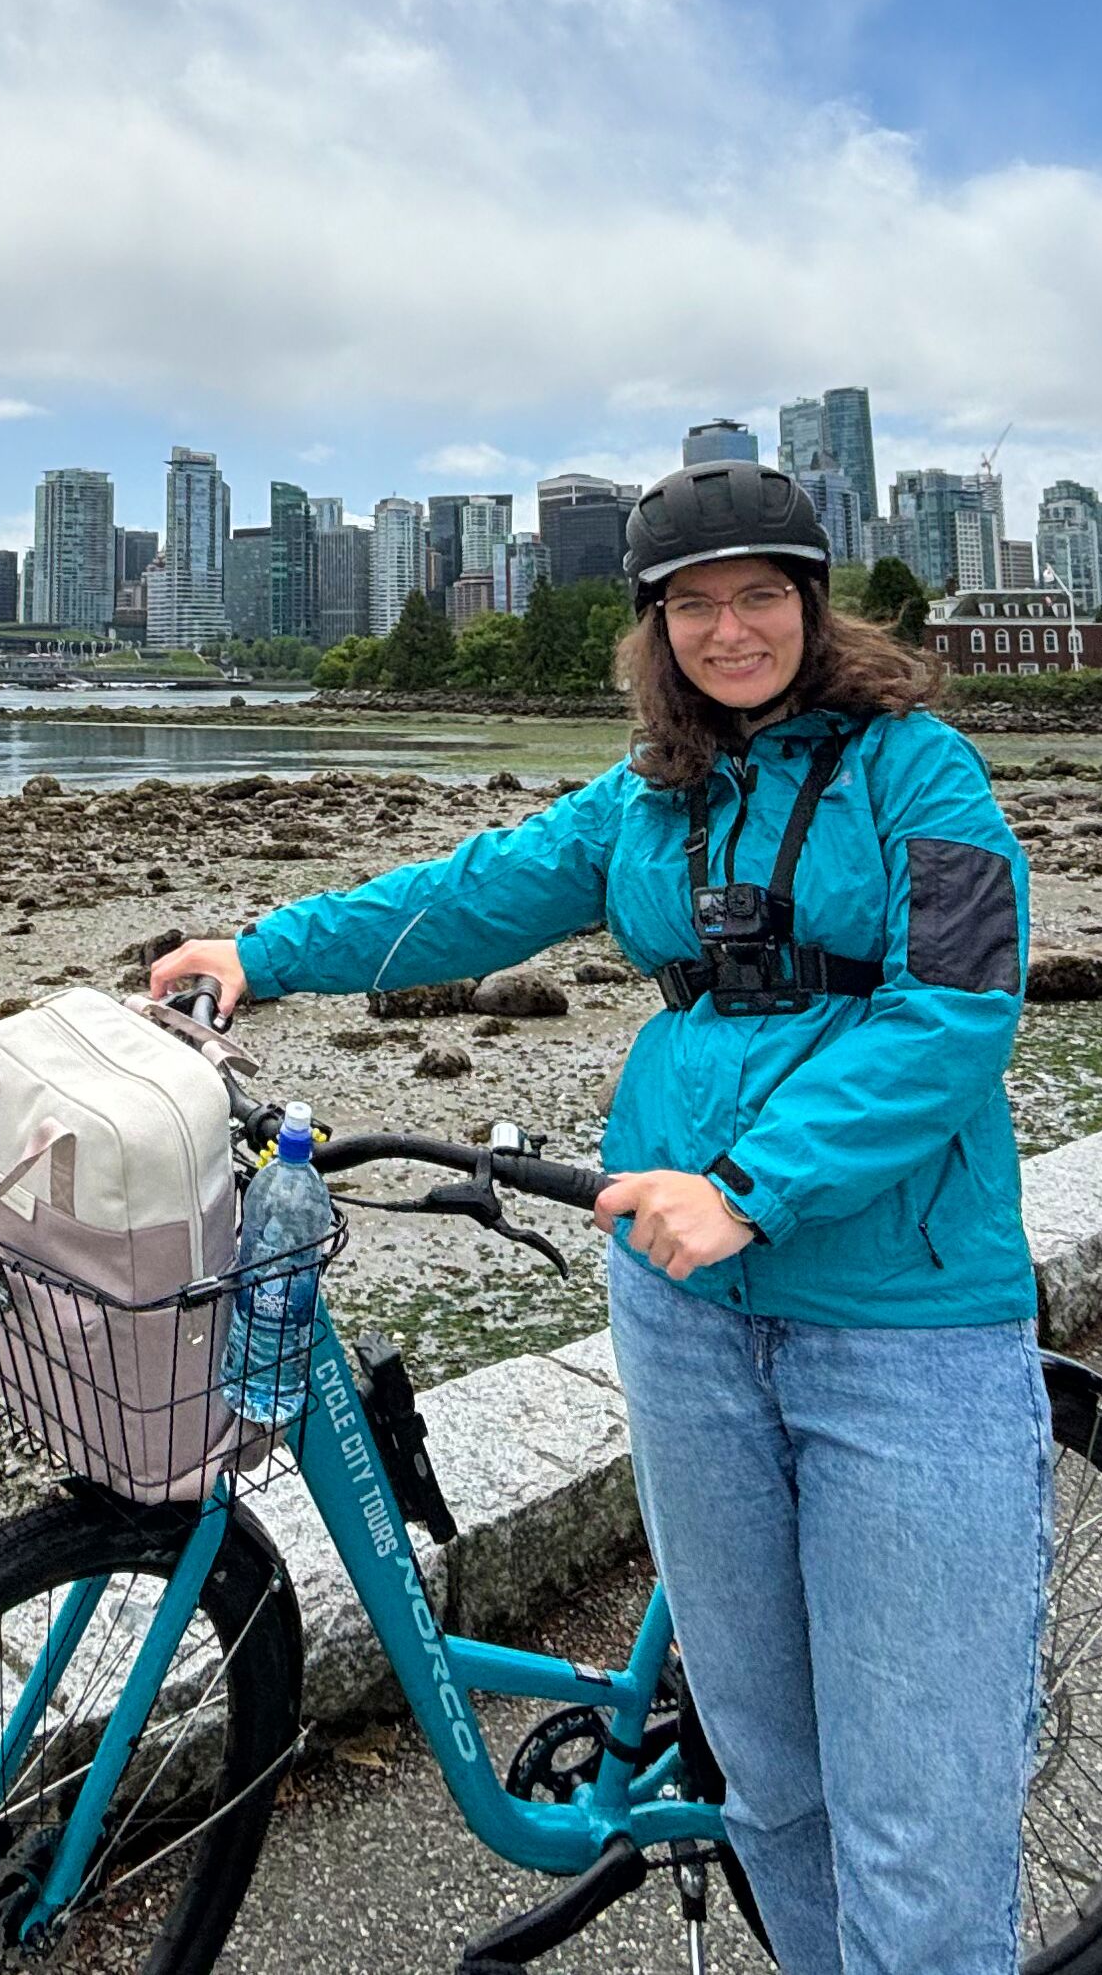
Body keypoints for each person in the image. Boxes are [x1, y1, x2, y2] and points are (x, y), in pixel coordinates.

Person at [147, 461, 1039, 1974]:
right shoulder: (649, 793)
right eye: (692, 602)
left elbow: (957, 1008)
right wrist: (261, 948)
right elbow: (470, 895)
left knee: (920, 1804)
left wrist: (755, 1188)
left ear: (816, 606)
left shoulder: (920, 770)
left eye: (761, 594)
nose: (730, 627)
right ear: (654, 626)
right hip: (683, 1313)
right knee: (773, 1776)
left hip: (899, 1316)